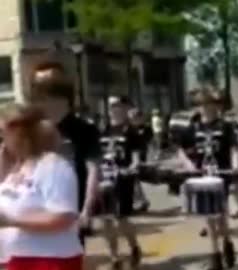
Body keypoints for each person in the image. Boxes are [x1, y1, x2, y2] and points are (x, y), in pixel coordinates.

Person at [26, 61, 101, 246]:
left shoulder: (84, 129)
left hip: (68, 210)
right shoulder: (30, 128)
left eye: (50, 86)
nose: (43, 94)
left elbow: (93, 171)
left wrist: (86, 210)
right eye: (38, 87)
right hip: (34, 208)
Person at [0, 104, 83, 270]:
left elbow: (63, 218)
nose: (2, 138)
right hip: (15, 258)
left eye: (3, 132)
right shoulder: (17, 167)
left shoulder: (53, 166)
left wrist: (12, 221)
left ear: (20, 134)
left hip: (48, 260)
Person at [179, 89, 237, 270]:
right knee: (208, 216)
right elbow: (180, 149)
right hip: (202, 177)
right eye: (201, 105)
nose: (205, 108)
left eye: (209, 104)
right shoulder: (192, 128)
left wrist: (235, 165)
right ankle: (215, 256)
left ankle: (227, 242)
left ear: (216, 106)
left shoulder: (225, 126)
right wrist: (188, 164)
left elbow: (234, 148)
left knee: (220, 215)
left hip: (221, 175)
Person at [100, 96, 142, 268]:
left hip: (123, 179)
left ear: (125, 109)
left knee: (121, 219)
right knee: (105, 219)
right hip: (105, 179)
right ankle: (114, 257)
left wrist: (131, 167)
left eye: (117, 106)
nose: (114, 109)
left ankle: (134, 246)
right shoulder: (102, 130)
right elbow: (96, 156)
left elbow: (136, 158)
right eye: (111, 106)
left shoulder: (131, 131)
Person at [128, 108, 152, 212]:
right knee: (134, 179)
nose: (134, 120)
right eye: (132, 118)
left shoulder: (145, 128)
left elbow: (147, 140)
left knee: (135, 178)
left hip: (140, 155)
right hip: (131, 156)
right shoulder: (130, 129)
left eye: (136, 117)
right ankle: (141, 200)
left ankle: (141, 200)